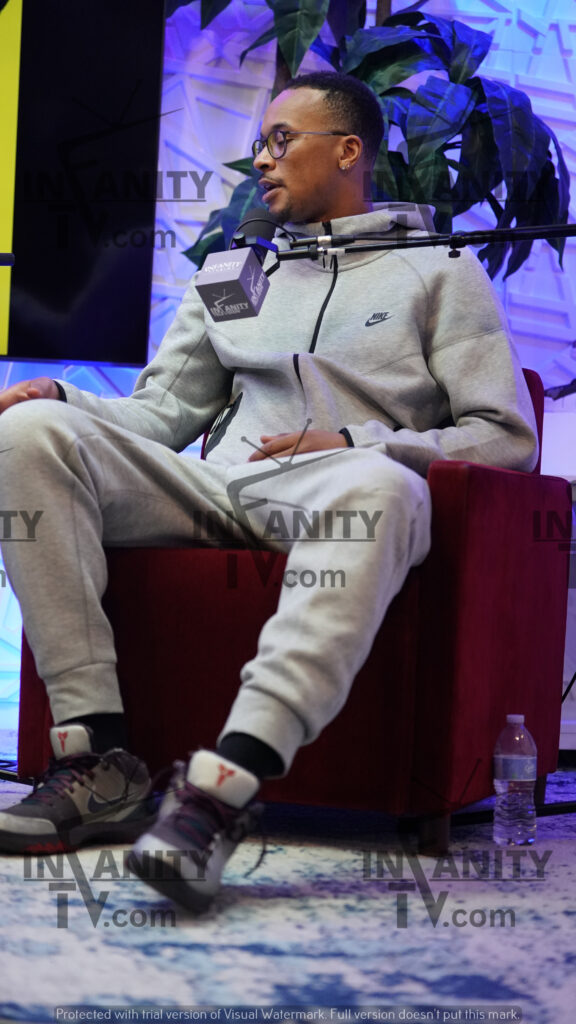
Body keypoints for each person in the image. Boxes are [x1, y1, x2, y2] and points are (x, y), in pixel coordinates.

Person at [0, 72, 537, 911]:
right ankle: (95, 758)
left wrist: (362, 442)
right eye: (261, 142)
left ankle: (221, 790)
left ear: (350, 151)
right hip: (220, 485)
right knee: (25, 435)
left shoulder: (440, 270)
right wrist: (64, 402)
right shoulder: (237, 272)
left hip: (339, 483)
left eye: (283, 139)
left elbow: (505, 437)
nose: (262, 159)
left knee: (384, 487)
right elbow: (162, 413)